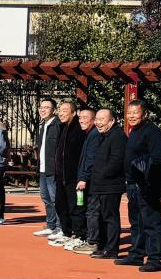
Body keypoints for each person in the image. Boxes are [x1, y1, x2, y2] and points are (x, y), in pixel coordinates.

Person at [118, 99, 161, 272]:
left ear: (144, 114)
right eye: (129, 113)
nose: (131, 116)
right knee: (136, 222)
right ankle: (136, 254)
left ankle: (154, 259)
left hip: (145, 185)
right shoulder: (134, 131)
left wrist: (146, 179)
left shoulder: (152, 131)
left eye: (135, 113)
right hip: (132, 184)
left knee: (152, 222)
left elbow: (159, 158)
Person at [88, 108, 127, 260]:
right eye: (97, 119)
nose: (98, 123)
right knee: (101, 217)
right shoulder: (103, 136)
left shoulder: (118, 136)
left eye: (102, 120)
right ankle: (103, 246)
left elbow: (117, 161)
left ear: (112, 121)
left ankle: (112, 249)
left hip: (110, 185)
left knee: (110, 217)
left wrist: (103, 174)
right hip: (100, 185)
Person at [51, 100, 87, 248]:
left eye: (65, 110)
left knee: (76, 207)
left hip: (74, 177)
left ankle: (80, 235)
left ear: (74, 113)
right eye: (60, 110)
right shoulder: (62, 127)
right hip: (61, 176)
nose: (61, 113)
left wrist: (82, 176)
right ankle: (67, 233)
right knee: (61, 205)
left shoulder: (79, 129)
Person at [69, 108, 101, 253]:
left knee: (91, 212)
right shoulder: (89, 134)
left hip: (90, 181)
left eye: (85, 117)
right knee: (87, 209)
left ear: (93, 120)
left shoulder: (94, 135)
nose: (81, 120)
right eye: (80, 117)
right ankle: (90, 239)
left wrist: (83, 178)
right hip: (86, 179)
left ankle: (92, 241)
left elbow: (91, 159)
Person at [34, 98, 61, 238]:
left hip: (53, 169)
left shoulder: (58, 125)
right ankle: (51, 226)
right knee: (46, 198)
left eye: (46, 107)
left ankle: (60, 228)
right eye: (41, 107)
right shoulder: (43, 125)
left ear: (53, 110)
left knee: (55, 199)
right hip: (43, 168)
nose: (43, 110)